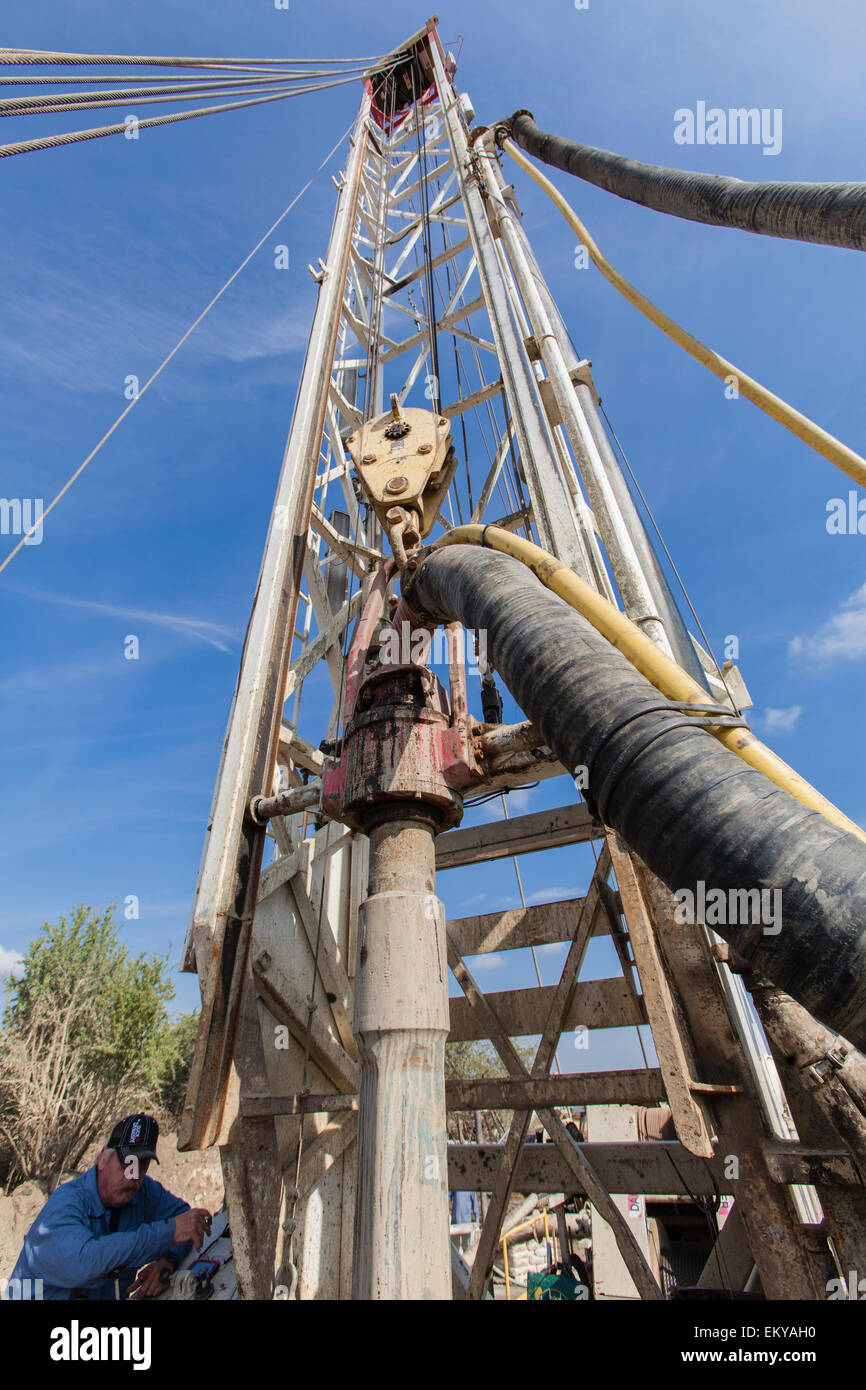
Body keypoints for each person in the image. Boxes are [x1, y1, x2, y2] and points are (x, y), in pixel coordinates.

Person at [6, 1113, 212, 1300]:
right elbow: (86, 1263)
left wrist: (167, 1260)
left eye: (142, 1165)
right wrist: (167, 1233)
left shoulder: (143, 1191)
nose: (132, 1175)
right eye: (127, 1162)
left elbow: (184, 1219)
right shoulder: (66, 1204)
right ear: (103, 1158)